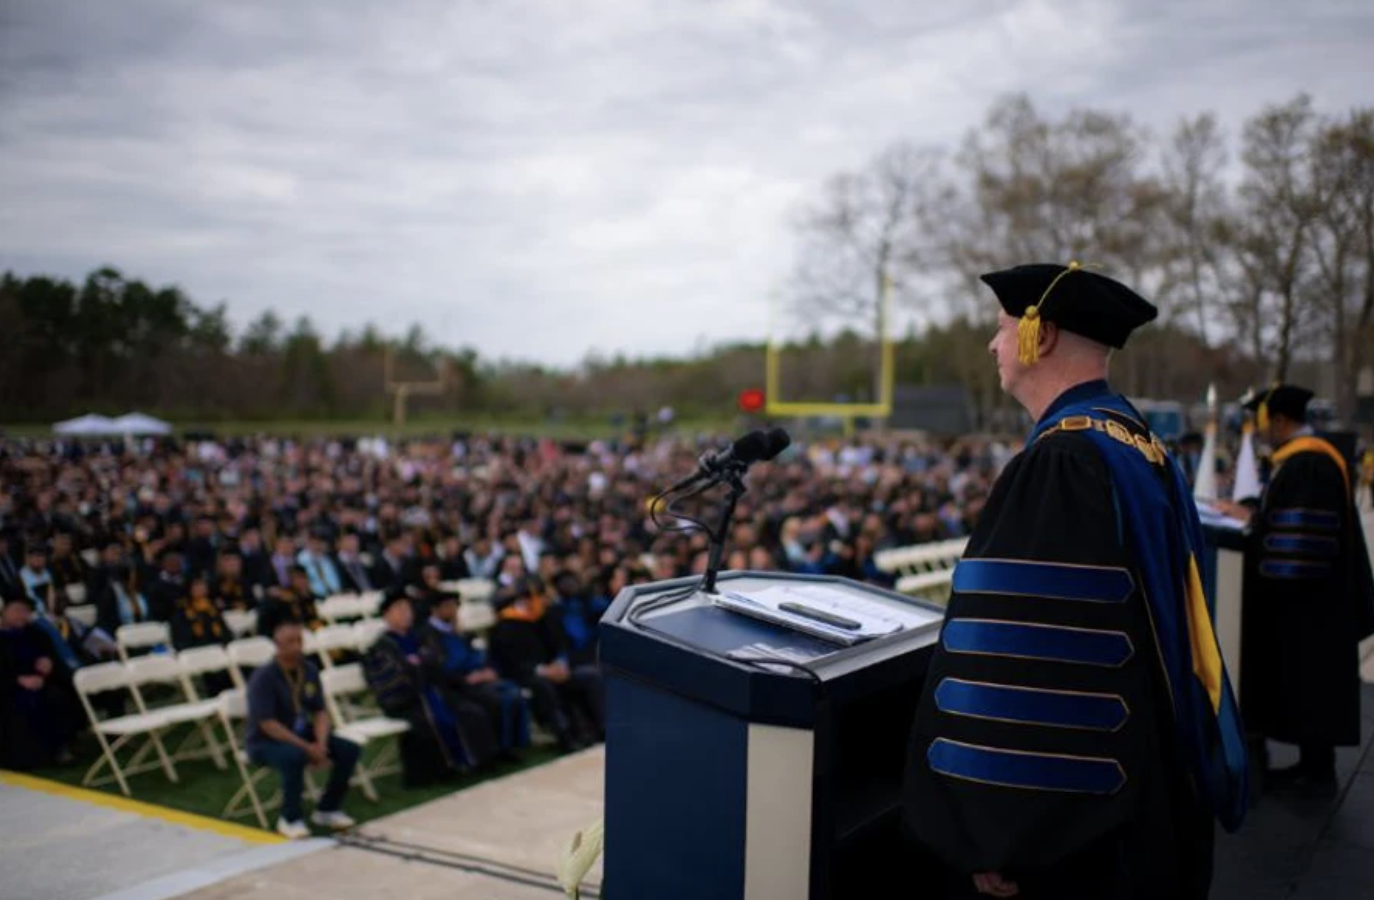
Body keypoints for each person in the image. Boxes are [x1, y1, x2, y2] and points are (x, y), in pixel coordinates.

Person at [900, 262, 1248, 899]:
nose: (993, 345)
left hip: (1081, 839)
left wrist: (1002, 833)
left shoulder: (1064, 462)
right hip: (1155, 788)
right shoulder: (1138, 445)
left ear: (1044, 335)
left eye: (1003, 328)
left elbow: (1031, 671)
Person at [1217, 384, 1374, 794]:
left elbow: (1300, 540)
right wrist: (1253, 516)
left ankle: (1317, 770)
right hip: (1313, 599)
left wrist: (1252, 529)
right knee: (1310, 682)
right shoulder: (1302, 460)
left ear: (1281, 420)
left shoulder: (1310, 464)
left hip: (1312, 601)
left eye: (1263, 421)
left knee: (1313, 682)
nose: (1260, 430)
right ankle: (1311, 765)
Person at [362, 591, 501, 786]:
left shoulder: (420, 637)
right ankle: (443, 770)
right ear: (386, 615)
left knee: (469, 710)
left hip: (434, 691)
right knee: (431, 719)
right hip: (406, 700)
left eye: (407, 608)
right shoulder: (381, 646)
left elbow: (437, 663)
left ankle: (480, 761)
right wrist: (418, 669)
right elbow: (391, 681)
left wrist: (421, 666)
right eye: (398, 609)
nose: (405, 613)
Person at [244, 616, 360, 839]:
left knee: (349, 749)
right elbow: (268, 724)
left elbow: (320, 711)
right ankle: (290, 817)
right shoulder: (264, 677)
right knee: (294, 757)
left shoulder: (309, 669)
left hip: (301, 732)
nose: (297, 646)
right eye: (290, 642)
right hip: (264, 741)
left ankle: (328, 808)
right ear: (278, 646)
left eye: (299, 640)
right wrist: (308, 748)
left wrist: (321, 744)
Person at [421, 591, 531, 758]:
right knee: (501, 700)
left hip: (479, 678)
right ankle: (503, 749)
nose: (453, 610)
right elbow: (439, 670)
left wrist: (489, 670)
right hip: (458, 687)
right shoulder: (428, 636)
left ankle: (518, 744)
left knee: (514, 692)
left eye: (454, 606)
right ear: (436, 610)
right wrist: (466, 679)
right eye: (448, 606)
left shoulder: (461, 631)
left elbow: (480, 654)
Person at [1, 591, 83, 769]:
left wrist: (47, 662)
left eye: (26, 612)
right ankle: (30, 758)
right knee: (23, 705)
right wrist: (17, 680)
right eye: (17, 610)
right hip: (9, 687)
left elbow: (50, 655)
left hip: (41, 680)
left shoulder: (35, 632)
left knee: (60, 696)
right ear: (4, 611)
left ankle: (63, 747)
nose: (22, 616)